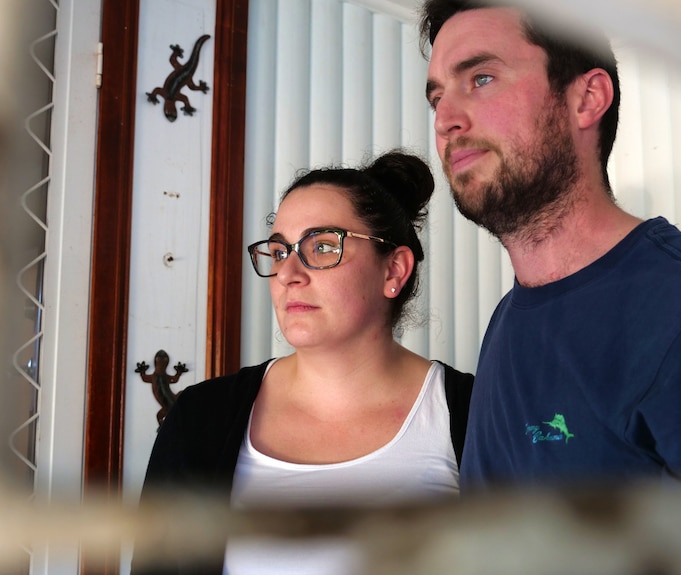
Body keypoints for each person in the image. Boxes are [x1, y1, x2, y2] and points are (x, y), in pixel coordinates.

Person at [419, 1, 681, 487]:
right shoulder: (508, 322)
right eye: (437, 98)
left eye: (481, 79)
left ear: (586, 99)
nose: (445, 120)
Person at [133, 150, 474, 575]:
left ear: (393, 271)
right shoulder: (201, 418)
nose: (288, 272)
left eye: (323, 246)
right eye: (278, 252)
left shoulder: (474, 414)